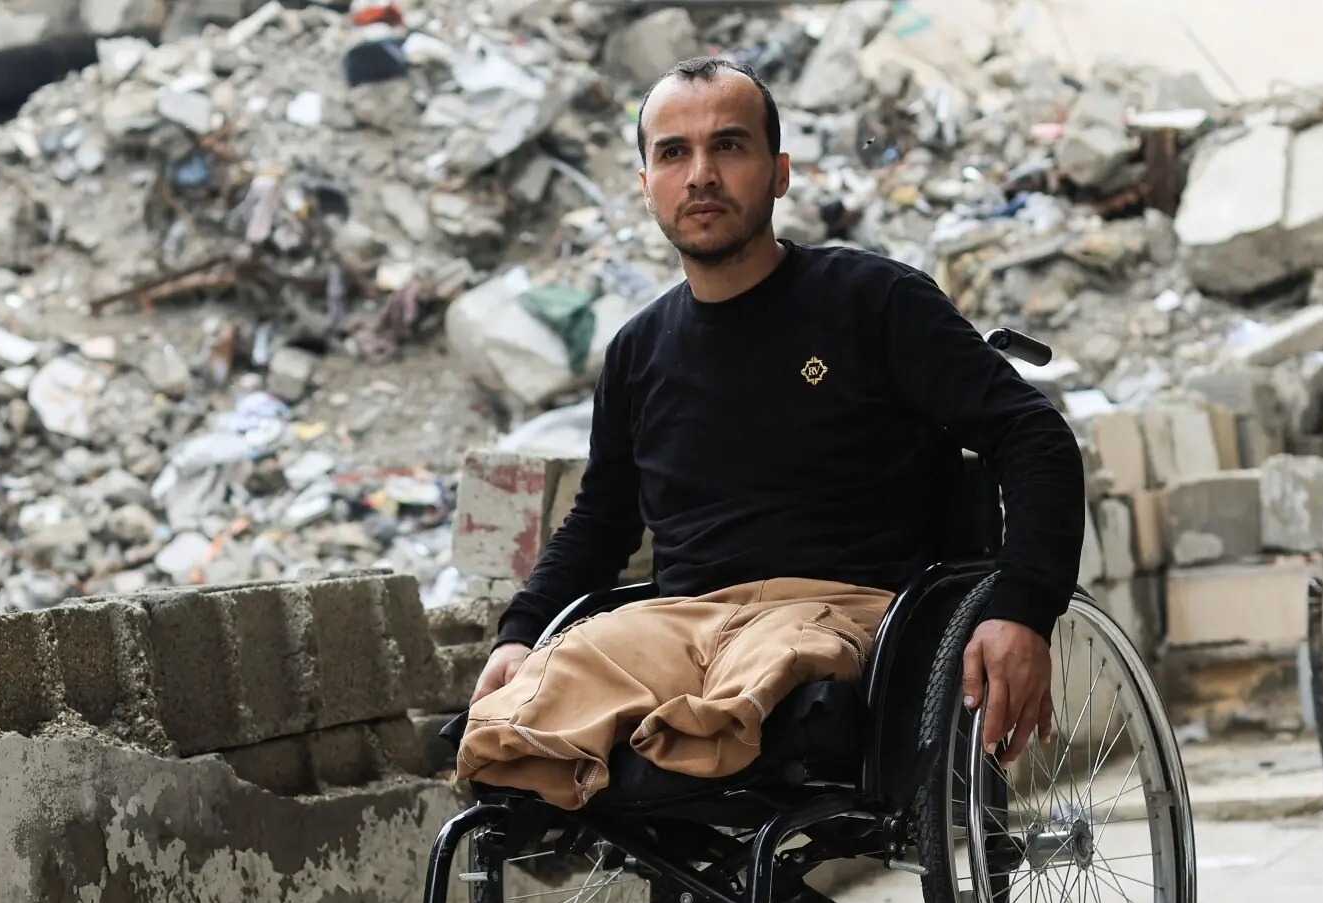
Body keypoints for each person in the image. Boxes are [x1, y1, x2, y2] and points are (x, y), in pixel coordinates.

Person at [455, 57, 1086, 809]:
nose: (700, 175)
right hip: (680, 624)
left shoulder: (874, 302)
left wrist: (1022, 609)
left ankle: (691, 743)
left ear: (779, 173)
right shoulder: (637, 352)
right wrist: (520, 635)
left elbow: (1033, 435)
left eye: (728, 145)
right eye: (674, 153)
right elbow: (599, 521)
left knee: (765, 677)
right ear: (647, 185)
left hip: (838, 612)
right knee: (520, 711)